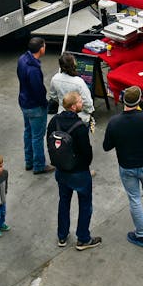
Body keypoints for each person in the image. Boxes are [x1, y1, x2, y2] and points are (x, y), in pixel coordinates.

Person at [103, 84, 143, 247]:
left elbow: (106, 146)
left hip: (127, 167)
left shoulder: (115, 122)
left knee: (135, 199)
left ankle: (141, 235)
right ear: (137, 101)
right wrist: (142, 103)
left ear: (122, 100)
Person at [48, 91, 101, 250]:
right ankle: (83, 238)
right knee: (85, 204)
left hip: (61, 171)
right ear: (73, 106)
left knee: (64, 202)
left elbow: (49, 144)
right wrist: (83, 167)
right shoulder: (79, 127)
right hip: (79, 173)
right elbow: (87, 153)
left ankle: (62, 236)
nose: (82, 102)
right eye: (79, 101)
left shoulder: (54, 121)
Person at [18, 36, 49, 174]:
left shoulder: (22, 60)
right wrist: (45, 103)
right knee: (37, 136)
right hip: (35, 106)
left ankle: (28, 161)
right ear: (41, 49)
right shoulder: (34, 70)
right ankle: (39, 165)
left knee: (28, 132)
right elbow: (38, 91)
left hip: (24, 103)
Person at [48, 52, 95, 120]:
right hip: (80, 117)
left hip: (62, 114)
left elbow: (53, 96)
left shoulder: (55, 78)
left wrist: (62, 103)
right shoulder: (79, 82)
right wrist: (90, 111)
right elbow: (88, 103)